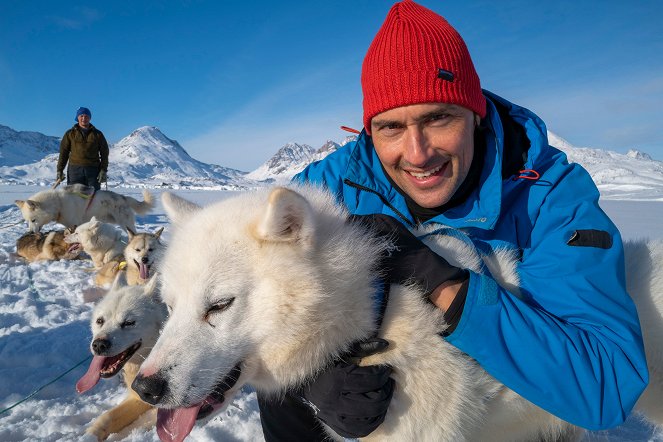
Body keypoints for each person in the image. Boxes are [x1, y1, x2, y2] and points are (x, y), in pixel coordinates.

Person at [257, 0, 649, 440]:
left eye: (438, 117)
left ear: (475, 114)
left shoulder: (550, 198)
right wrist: (311, 382)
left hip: (513, 417)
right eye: (391, 127)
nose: (418, 153)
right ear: (369, 131)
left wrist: (445, 284)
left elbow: (604, 388)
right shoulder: (326, 192)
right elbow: (259, 306)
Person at [57, 106, 109, 191]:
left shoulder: (98, 134)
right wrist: (59, 170)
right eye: (81, 116)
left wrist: (103, 170)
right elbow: (64, 153)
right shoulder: (70, 134)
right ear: (77, 118)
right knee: (74, 196)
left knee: (93, 197)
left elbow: (104, 153)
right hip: (75, 170)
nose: (84, 118)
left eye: (86, 116)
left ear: (90, 118)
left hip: (93, 170)